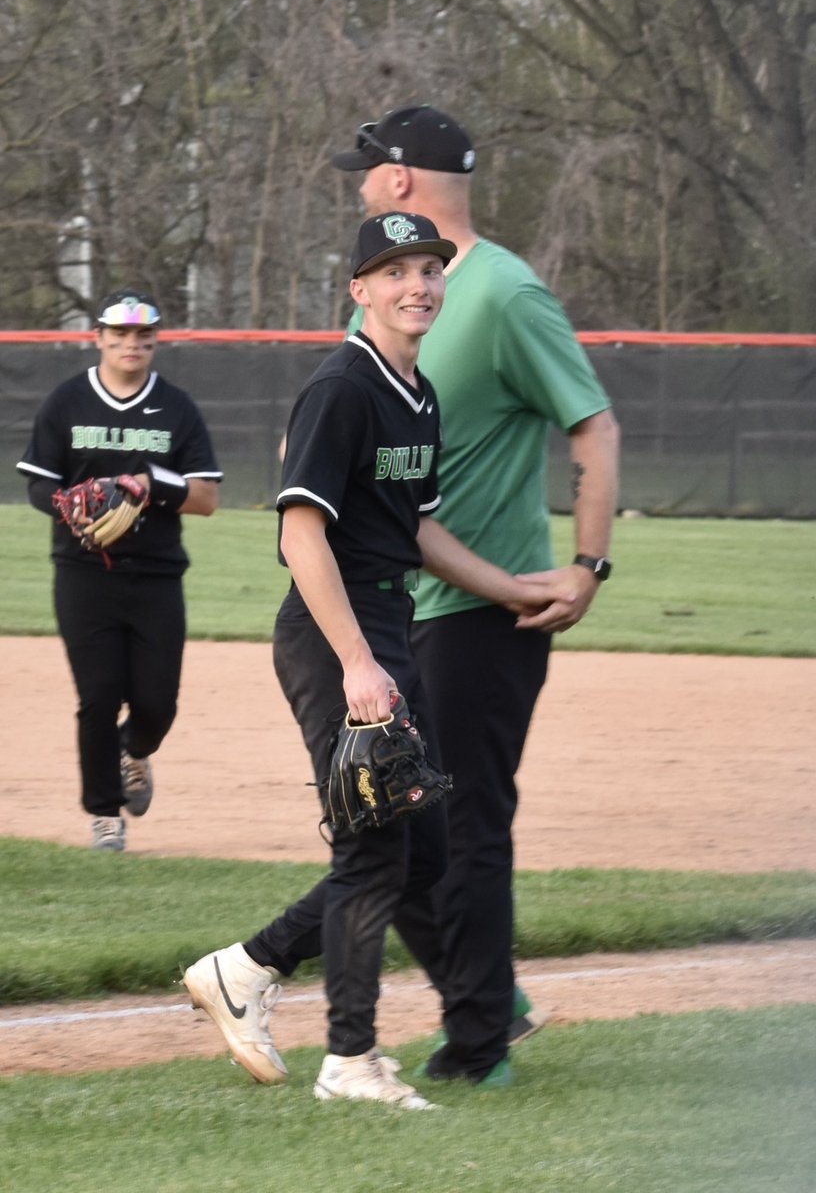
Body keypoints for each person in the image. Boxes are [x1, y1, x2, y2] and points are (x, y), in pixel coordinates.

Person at [183, 213, 560, 1108]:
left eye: (430, 268)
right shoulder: (343, 387)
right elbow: (300, 528)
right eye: (395, 272)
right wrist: (356, 663)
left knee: (421, 850)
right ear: (360, 290)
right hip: (334, 636)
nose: (418, 285)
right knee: (373, 850)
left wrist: (510, 590)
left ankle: (246, 967)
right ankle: (350, 1060)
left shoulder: (416, 392)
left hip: (389, 629)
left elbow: (416, 528)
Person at [330, 106, 621, 1087]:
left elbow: (596, 427)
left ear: (403, 180)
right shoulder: (396, 292)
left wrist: (587, 567)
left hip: (488, 612)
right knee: (392, 819)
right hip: (395, 606)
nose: (362, 184)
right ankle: (482, 982)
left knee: (466, 823)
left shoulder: (501, 292)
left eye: (370, 172)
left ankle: (479, 1041)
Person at [17, 289, 222, 852]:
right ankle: (105, 814)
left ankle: (135, 750)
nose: (131, 344)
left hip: (156, 574)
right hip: (83, 573)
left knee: (158, 702)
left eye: (142, 335)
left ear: (155, 341)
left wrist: (151, 484)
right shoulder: (68, 401)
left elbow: (205, 498)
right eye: (120, 334)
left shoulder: (176, 408)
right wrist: (63, 503)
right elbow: (37, 480)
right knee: (99, 695)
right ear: (100, 337)